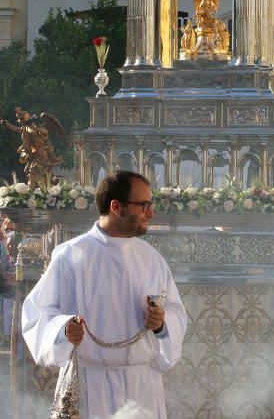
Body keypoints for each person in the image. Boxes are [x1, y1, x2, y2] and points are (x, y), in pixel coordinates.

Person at [22, 170, 187, 419]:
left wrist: (162, 324)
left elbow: (175, 312)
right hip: (90, 386)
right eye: (143, 205)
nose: (151, 213)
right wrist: (63, 330)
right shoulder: (70, 256)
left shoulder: (152, 259)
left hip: (141, 386)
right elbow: (36, 316)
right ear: (116, 207)